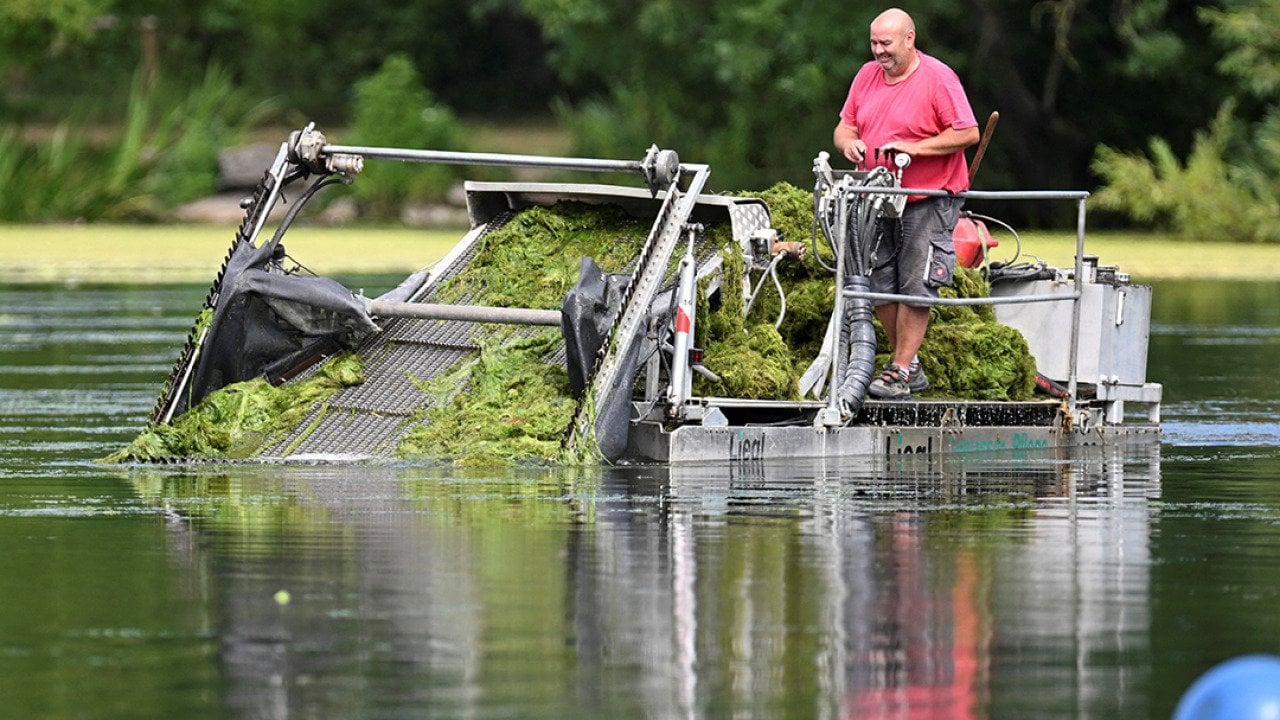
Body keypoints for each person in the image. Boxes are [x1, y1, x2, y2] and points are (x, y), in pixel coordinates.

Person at [833, 8, 979, 399]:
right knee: (878, 280)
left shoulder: (938, 78)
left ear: (909, 39)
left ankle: (899, 369)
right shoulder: (866, 76)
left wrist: (914, 149)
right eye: (874, 43)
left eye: (886, 43)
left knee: (916, 281)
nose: (879, 51)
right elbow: (845, 125)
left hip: (928, 198)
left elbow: (967, 133)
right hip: (877, 197)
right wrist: (849, 143)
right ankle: (909, 365)